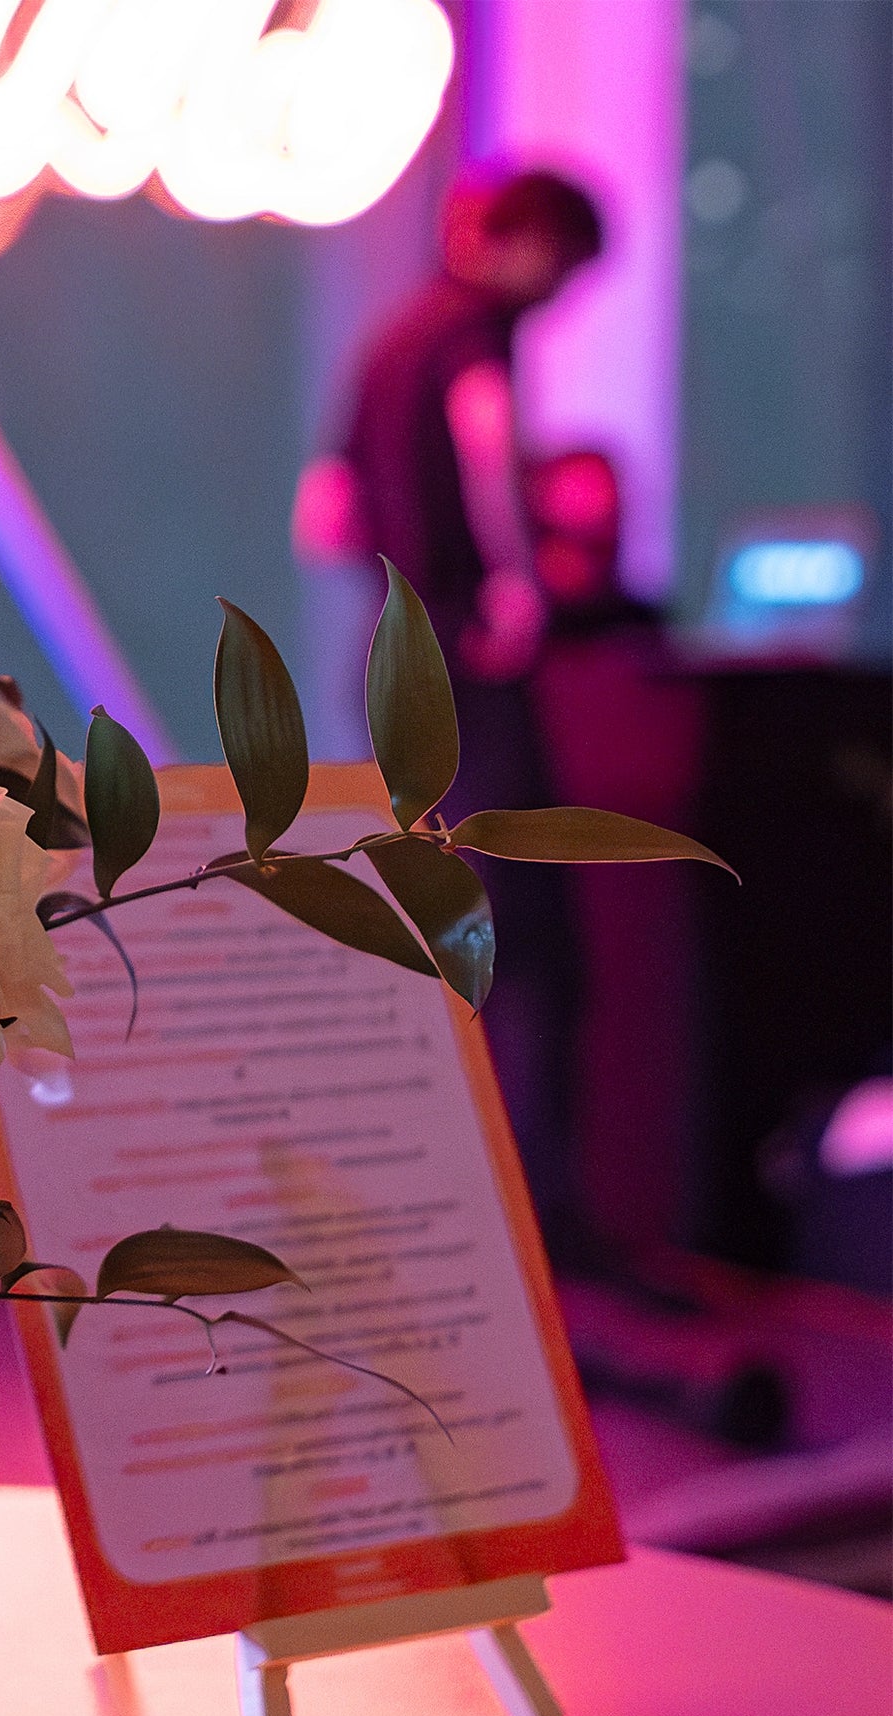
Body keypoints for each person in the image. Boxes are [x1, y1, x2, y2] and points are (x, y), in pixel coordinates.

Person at [295, 168, 606, 1245]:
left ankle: (426, 1189)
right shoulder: (472, 335)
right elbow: (486, 459)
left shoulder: (388, 340)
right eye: (561, 266)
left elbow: (325, 514)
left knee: (435, 917)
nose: (558, 291)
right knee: (517, 939)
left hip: (393, 659)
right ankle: (524, 1212)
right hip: (464, 665)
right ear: (527, 243)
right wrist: (513, 591)